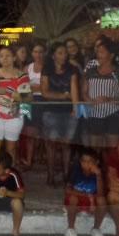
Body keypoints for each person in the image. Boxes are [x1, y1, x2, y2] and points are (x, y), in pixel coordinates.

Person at [0, 46, 31, 171]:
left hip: (14, 116)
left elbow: (25, 98)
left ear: (14, 58)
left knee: (11, 150)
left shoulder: (22, 76)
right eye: (1, 56)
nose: (4, 58)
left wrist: (6, 90)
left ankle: (9, 180)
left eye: (8, 55)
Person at [41, 42, 80, 186]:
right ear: (53, 55)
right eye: (60, 53)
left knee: (66, 145)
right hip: (51, 111)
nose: (64, 55)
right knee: (51, 145)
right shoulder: (47, 69)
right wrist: (63, 96)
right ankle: (50, 174)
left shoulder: (72, 69)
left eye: (65, 53)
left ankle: (65, 174)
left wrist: (75, 108)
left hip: (67, 111)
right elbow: (45, 92)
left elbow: (74, 89)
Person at [82, 39, 119, 152]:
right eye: (98, 52)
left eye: (102, 52)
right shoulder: (90, 71)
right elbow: (84, 92)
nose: (98, 55)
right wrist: (89, 100)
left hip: (114, 113)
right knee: (95, 147)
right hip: (94, 113)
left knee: (112, 147)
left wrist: (110, 99)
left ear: (111, 55)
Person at [64, 147, 107, 236]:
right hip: (78, 198)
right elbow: (68, 190)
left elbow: (100, 194)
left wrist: (99, 176)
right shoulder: (76, 170)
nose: (86, 164)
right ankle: (70, 228)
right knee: (73, 199)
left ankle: (96, 229)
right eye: (83, 161)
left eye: (90, 161)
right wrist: (88, 196)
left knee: (102, 201)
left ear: (96, 162)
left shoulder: (100, 173)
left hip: (92, 200)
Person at [23, 42, 45, 169]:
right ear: (32, 53)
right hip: (28, 101)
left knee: (41, 131)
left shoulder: (47, 67)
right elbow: (23, 87)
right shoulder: (27, 68)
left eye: (40, 51)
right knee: (29, 131)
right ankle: (29, 160)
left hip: (43, 101)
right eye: (36, 52)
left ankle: (40, 157)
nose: (38, 54)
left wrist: (33, 86)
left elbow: (46, 87)